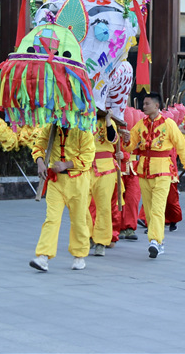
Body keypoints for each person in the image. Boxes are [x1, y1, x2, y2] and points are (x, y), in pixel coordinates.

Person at [124, 92, 185, 258]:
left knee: (157, 207)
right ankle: (159, 242)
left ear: (156, 105)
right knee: (148, 209)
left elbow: (182, 146)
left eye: (147, 103)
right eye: (143, 103)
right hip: (143, 172)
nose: (144, 106)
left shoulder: (169, 124)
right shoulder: (140, 125)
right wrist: (126, 139)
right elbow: (129, 147)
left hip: (162, 171)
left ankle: (154, 240)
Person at [29, 120, 96, 272]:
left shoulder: (83, 128)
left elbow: (88, 156)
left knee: (79, 219)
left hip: (78, 180)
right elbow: (38, 146)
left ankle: (79, 256)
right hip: (56, 181)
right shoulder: (51, 127)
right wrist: (40, 163)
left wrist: (66, 165)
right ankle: (43, 256)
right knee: (51, 219)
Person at [89, 113, 122, 256]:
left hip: (106, 168)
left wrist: (108, 120)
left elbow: (113, 139)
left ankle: (101, 241)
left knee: (103, 206)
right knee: (83, 205)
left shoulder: (109, 122)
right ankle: (87, 235)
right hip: (85, 167)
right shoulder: (82, 119)